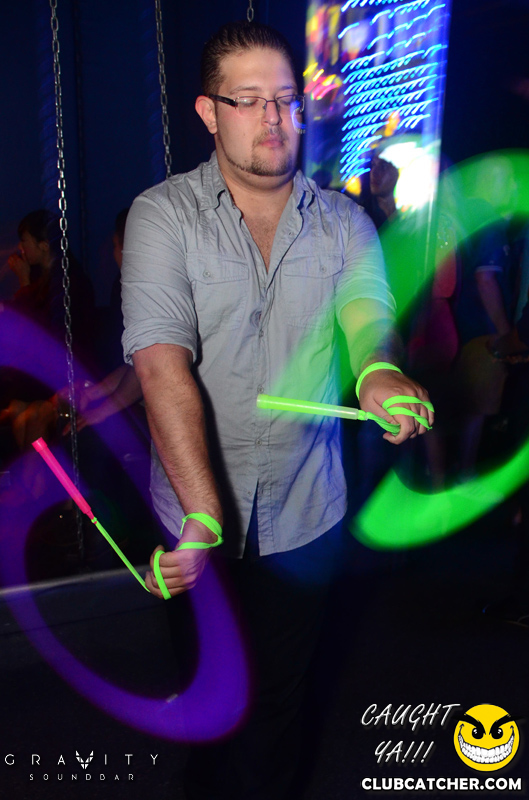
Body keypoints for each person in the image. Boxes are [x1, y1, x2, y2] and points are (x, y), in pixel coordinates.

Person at [121, 21, 433, 799]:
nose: (273, 118)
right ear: (208, 112)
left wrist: (379, 373)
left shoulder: (344, 221)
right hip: (195, 518)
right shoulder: (162, 216)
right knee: (208, 699)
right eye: (249, 99)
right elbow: (159, 366)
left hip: (304, 510)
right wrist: (203, 515)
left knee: (277, 710)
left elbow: (366, 312)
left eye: (287, 100)